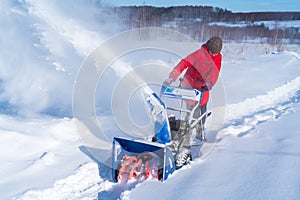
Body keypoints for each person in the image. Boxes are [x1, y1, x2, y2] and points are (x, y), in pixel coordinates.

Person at [163, 36, 223, 168]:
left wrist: (208, 84)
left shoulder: (218, 57)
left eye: (217, 52)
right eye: (213, 52)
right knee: (188, 112)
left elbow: (215, 72)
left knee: (201, 113)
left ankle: (200, 132)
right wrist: (172, 77)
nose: (215, 54)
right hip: (189, 86)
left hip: (203, 88)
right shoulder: (199, 54)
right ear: (209, 48)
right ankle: (185, 138)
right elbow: (184, 63)